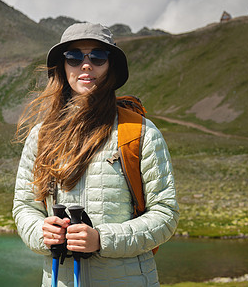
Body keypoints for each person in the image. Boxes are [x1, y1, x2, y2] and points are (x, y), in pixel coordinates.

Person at [12, 22, 179, 287]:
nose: (86, 65)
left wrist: (101, 239)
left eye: (98, 57)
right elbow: (25, 207)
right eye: (74, 57)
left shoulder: (139, 133)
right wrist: (42, 233)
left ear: (110, 66)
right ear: (63, 67)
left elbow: (165, 214)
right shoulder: (41, 136)